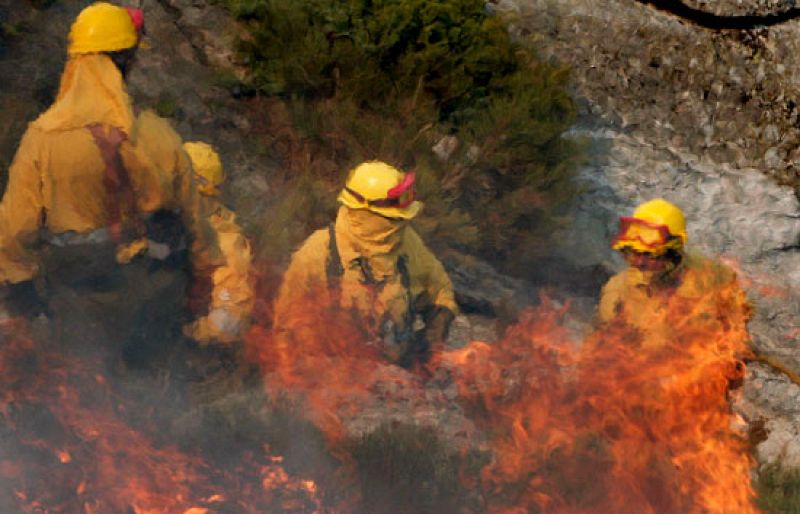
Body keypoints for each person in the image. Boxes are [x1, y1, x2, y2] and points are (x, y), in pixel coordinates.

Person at [0, 2, 235, 366]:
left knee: (89, 399)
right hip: (153, 298)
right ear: (126, 62)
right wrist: (201, 284)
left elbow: (15, 231)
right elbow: (195, 224)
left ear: (74, 63)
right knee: (152, 398)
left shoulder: (42, 138)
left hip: (77, 302)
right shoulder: (159, 134)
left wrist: (23, 292)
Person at [273, 160, 458, 367]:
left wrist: (436, 331)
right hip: (332, 378)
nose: (399, 224)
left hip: (393, 374)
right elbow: (286, 328)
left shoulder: (407, 242)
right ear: (367, 211)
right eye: (393, 218)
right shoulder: (319, 253)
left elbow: (439, 289)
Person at [597, 198, 751, 349]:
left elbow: (739, 326)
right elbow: (601, 342)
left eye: (651, 255)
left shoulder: (711, 280)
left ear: (674, 252)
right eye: (634, 253)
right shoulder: (617, 290)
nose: (639, 262)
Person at [181, 141, 254, 344]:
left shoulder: (227, 245)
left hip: (201, 354)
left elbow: (228, 320)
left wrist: (186, 334)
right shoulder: (178, 227)